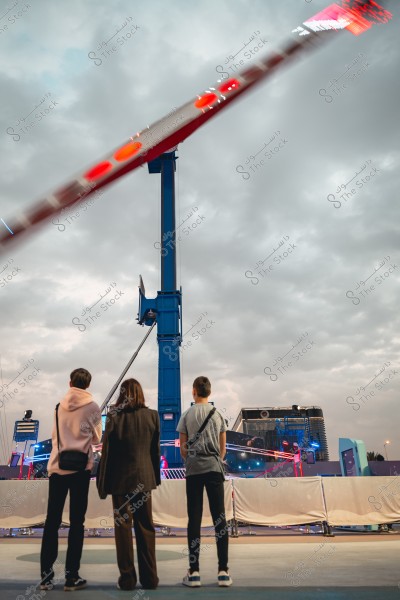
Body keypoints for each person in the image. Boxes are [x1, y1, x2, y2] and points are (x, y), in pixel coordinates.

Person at [40, 368, 102, 591]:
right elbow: (97, 438)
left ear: (70, 383)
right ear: (88, 385)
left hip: (57, 468)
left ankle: (46, 578)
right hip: (80, 471)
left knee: (51, 522)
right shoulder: (93, 407)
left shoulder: (58, 407)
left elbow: (56, 437)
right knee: (77, 523)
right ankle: (71, 577)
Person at [96, 378, 161, 591]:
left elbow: (107, 454)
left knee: (123, 529)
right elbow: (154, 452)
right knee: (146, 528)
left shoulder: (114, 417)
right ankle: (150, 579)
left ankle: (127, 579)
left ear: (122, 395)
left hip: (120, 482)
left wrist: (103, 484)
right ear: (141, 394)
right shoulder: (152, 416)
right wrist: (155, 478)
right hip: (144, 480)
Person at [177, 376, 232, 587]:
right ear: (209, 392)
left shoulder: (186, 415)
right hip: (214, 470)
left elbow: (183, 449)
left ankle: (194, 572)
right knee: (220, 519)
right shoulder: (217, 415)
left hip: (193, 471)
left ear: (194, 392)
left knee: (194, 520)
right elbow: (222, 449)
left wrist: (192, 460)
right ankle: (223, 572)